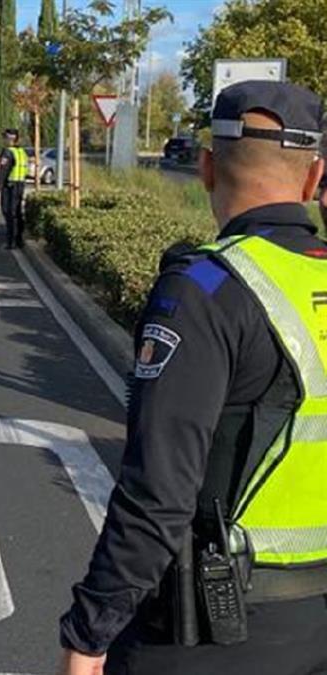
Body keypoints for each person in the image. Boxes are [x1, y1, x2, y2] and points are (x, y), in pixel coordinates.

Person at [58, 80, 327, 675]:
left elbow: (159, 493)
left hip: (212, 636)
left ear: (206, 167)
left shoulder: (205, 290)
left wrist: (89, 634)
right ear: (313, 179)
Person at [0, 128, 29, 250]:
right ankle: (19, 240)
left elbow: (3, 172)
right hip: (20, 185)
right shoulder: (22, 152)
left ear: (8, 139)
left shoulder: (7, 152)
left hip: (10, 186)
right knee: (17, 213)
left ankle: (10, 242)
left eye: (5, 138)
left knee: (8, 213)